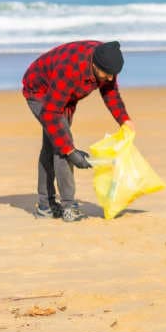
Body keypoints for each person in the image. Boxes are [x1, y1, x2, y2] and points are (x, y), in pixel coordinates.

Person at [21, 40, 133, 222]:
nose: (111, 79)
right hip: (40, 93)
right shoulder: (71, 70)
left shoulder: (107, 60)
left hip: (62, 97)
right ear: (94, 65)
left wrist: (124, 120)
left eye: (114, 74)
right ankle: (68, 207)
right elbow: (50, 112)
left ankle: (45, 205)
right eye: (107, 74)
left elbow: (110, 93)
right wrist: (71, 152)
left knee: (53, 146)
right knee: (63, 146)